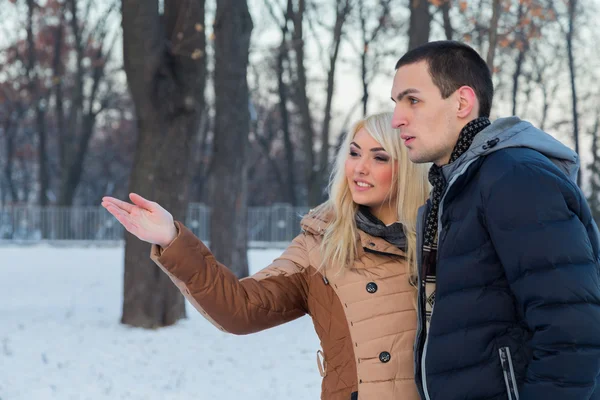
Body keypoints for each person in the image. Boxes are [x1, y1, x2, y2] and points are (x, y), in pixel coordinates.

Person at [101, 112, 430, 400]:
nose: (360, 168)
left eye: (380, 157)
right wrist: (171, 238)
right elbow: (241, 308)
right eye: (354, 153)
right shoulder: (320, 244)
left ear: (409, 167)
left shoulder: (447, 239)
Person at [390, 40, 600, 400]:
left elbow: (574, 330)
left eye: (412, 100)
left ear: (462, 102)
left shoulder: (514, 177)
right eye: (396, 103)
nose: (397, 119)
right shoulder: (452, 192)